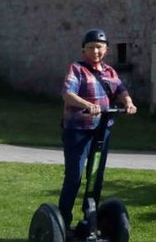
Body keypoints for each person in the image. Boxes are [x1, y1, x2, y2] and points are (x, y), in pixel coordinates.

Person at [58, 28, 136, 232]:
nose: (95, 52)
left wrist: (128, 103)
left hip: (102, 130)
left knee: (95, 176)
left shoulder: (110, 72)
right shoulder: (77, 69)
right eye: (91, 48)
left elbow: (120, 90)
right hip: (78, 130)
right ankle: (63, 222)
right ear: (84, 50)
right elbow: (67, 94)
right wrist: (88, 104)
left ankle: (89, 219)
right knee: (74, 176)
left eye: (99, 48)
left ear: (106, 49)